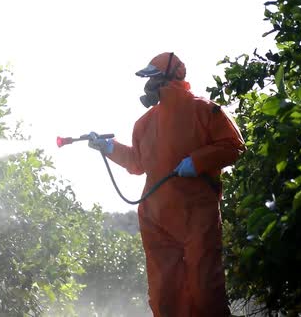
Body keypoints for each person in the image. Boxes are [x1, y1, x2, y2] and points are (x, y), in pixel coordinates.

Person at [87, 52, 245, 317]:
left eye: (152, 78)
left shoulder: (205, 110)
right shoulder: (144, 124)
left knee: (205, 290)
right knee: (164, 295)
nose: (147, 86)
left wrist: (197, 161)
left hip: (197, 216)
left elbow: (234, 146)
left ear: (171, 77)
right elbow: (137, 163)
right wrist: (109, 148)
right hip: (155, 219)